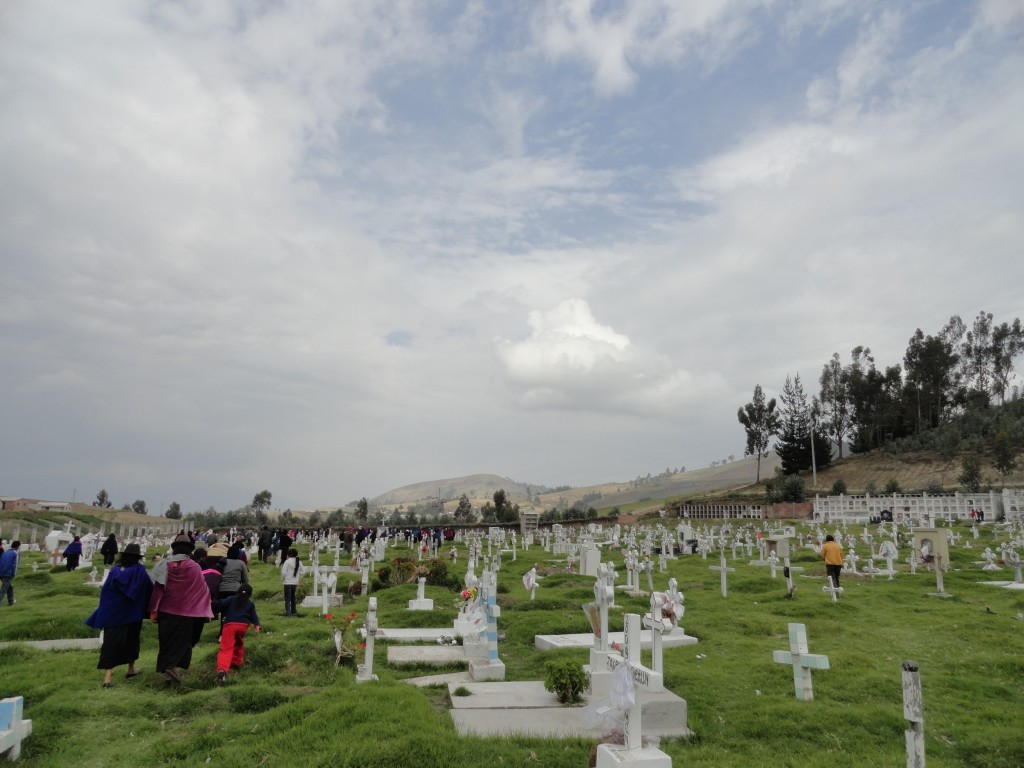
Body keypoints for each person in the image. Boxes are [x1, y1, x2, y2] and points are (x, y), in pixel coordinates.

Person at [84, 543, 153, 688]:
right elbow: (148, 589)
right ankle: (130, 669)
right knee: (132, 641)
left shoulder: (115, 571)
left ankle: (107, 679)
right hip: (132, 614)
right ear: (137, 557)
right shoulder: (139, 570)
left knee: (111, 644)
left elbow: (106, 592)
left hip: (113, 614)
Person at [149, 533, 214, 684]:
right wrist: (205, 610)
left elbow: (158, 589)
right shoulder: (194, 566)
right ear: (189, 550)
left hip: (166, 610)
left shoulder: (164, 565)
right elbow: (202, 589)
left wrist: (153, 609)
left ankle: (168, 671)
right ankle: (172, 668)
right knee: (182, 641)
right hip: (187, 611)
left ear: (175, 549)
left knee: (166, 641)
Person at [214, 584, 261, 685]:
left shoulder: (231, 599)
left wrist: (211, 602)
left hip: (230, 625)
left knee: (226, 648)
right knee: (239, 643)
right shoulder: (250, 603)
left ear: (238, 591)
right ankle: (236, 663)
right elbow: (254, 616)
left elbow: (220, 604)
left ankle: (222, 670)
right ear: (250, 594)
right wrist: (257, 625)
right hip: (243, 626)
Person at [280, 548, 306, 617]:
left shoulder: (287, 562)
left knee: (287, 598)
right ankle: (293, 611)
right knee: (293, 597)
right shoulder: (299, 562)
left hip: (287, 583)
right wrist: (298, 578)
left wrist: (283, 579)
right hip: (295, 583)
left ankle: (288, 613)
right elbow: (303, 572)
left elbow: (283, 573)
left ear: (289, 554)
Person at [0, 541, 20, 606]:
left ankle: (11, 601)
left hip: (1, 573)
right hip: (8, 574)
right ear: (18, 546)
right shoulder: (15, 553)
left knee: (9, 587)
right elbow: (15, 565)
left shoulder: (5, 552)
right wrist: (14, 574)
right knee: (3, 589)